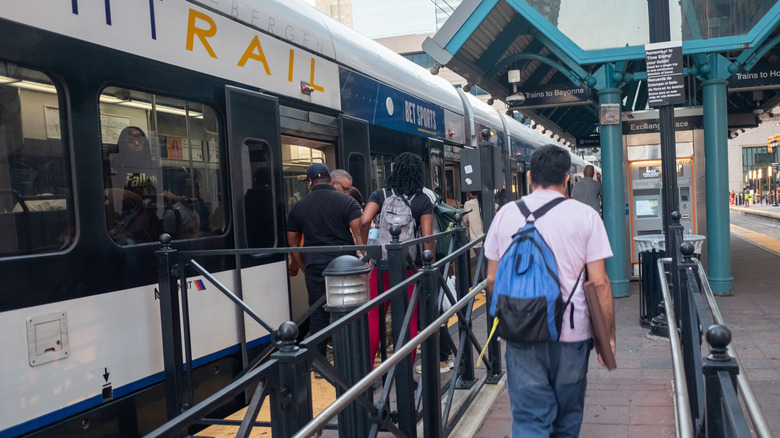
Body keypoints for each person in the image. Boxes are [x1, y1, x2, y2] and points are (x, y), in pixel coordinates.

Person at [484, 145, 615, 437]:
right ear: (567, 178)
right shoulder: (586, 216)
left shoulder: (505, 214)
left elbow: (492, 280)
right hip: (573, 334)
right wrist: (608, 339)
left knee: (530, 421)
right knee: (566, 422)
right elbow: (600, 283)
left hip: (521, 333)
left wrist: (511, 317)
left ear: (529, 176)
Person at [359, 152, 435, 369]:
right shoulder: (422, 200)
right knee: (408, 319)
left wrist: (366, 252)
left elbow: (364, 221)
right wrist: (430, 263)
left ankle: (367, 373)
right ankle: (403, 373)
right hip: (410, 266)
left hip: (381, 265)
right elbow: (428, 238)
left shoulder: (380, 194)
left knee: (374, 317)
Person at [287, 163, 364, 356]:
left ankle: (319, 362)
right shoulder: (348, 203)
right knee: (346, 312)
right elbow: (359, 234)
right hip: (344, 265)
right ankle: (346, 358)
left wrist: (305, 266)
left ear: (309, 182)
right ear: (331, 180)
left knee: (318, 314)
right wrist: (363, 260)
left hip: (315, 265)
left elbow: (292, 244)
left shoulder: (298, 207)